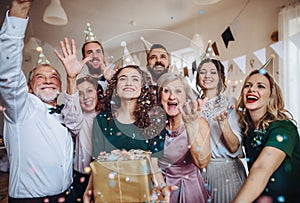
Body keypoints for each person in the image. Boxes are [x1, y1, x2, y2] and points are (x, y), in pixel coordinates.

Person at [0, 1, 86, 202]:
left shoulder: (65, 111)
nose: (48, 79)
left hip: (68, 195)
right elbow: (8, 71)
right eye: (40, 76)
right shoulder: (21, 108)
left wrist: (72, 79)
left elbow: (76, 124)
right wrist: (19, 13)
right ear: (29, 87)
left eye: (54, 76)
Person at [83, 65, 176, 203]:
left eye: (135, 79)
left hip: (142, 192)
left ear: (143, 86)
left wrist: (162, 188)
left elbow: (154, 164)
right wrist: (88, 192)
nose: (128, 83)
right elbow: (98, 162)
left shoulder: (155, 121)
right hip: (110, 192)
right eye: (123, 79)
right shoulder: (102, 120)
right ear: (115, 86)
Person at [233, 69, 300, 203]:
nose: (252, 89)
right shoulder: (247, 127)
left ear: (271, 95)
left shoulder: (283, 128)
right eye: (248, 85)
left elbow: (262, 168)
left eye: (261, 86)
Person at [196, 58, 246, 203]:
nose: (207, 76)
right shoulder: (193, 105)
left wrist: (223, 122)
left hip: (227, 172)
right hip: (200, 173)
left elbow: (234, 146)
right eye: (202, 72)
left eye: (213, 72)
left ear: (220, 77)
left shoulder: (230, 103)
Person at [157, 71, 212, 203]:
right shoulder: (155, 125)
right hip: (161, 188)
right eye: (166, 91)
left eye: (178, 91)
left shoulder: (199, 123)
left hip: (188, 190)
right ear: (160, 97)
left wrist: (191, 126)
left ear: (186, 97)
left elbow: (202, 162)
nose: (172, 97)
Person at [81, 23, 115, 91]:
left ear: (104, 57)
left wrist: (113, 80)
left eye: (98, 51)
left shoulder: (116, 79)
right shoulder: (81, 85)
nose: (95, 56)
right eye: (89, 52)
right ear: (84, 59)